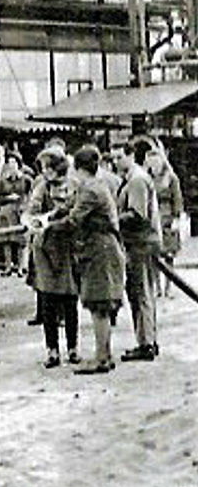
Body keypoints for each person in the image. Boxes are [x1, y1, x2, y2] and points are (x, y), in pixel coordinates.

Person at [42, 144, 126, 374]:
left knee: (99, 305)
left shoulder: (91, 189)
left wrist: (47, 227)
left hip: (102, 252)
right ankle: (104, 356)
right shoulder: (90, 186)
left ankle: (101, 359)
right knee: (100, 305)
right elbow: (68, 208)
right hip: (100, 251)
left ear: (78, 169)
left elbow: (73, 220)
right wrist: (47, 217)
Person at [24, 146, 79, 368]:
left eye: (48, 167)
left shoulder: (74, 185)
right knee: (47, 300)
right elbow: (31, 212)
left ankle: (73, 348)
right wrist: (33, 221)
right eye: (43, 168)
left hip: (67, 247)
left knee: (70, 300)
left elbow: (76, 209)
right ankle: (52, 350)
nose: (45, 171)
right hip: (45, 249)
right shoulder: (41, 188)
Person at [110, 142, 162, 362]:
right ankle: (148, 339)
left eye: (119, 157)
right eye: (113, 158)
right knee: (141, 292)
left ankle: (146, 343)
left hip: (141, 243)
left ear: (131, 156)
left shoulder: (137, 180)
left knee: (140, 292)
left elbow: (137, 214)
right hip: (139, 243)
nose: (116, 162)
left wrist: (111, 219)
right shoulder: (131, 178)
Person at [145, 146, 184, 297]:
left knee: (169, 256)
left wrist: (177, 218)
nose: (153, 165)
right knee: (154, 255)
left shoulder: (171, 178)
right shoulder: (147, 177)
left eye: (156, 160)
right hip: (153, 218)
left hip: (167, 217)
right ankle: (157, 287)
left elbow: (177, 199)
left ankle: (168, 287)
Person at [0, 151, 32, 276]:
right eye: (9, 164)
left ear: (19, 164)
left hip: (21, 211)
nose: (12, 166)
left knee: (21, 240)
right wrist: (8, 198)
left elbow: (32, 195)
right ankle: (8, 266)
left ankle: (21, 267)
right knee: (7, 240)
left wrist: (25, 205)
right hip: (6, 212)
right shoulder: (3, 180)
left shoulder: (26, 179)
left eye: (14, 163)